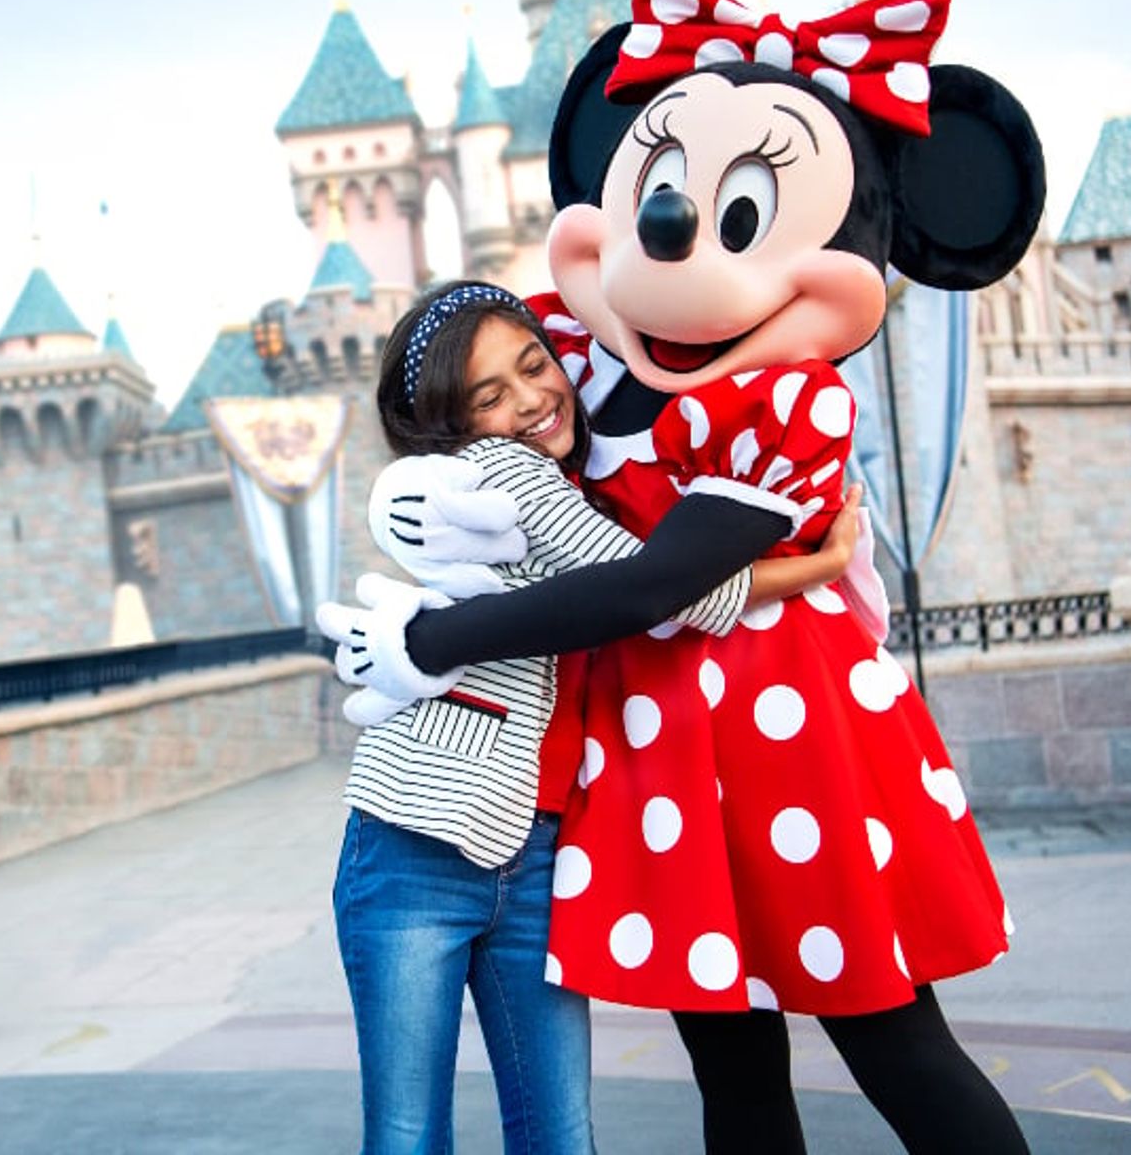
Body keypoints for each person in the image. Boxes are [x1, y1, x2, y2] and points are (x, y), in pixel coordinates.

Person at [328, 0, 1041, 1153]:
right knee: (735, 1076)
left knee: (892, 1040)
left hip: (795, 749)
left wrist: (431, 639)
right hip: (657, 764)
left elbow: (658, 585)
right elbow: (474, 376)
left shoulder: (792, 407)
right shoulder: (583, 364)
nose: (674, 236)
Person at [321, 278, 865, 1155]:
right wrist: (819, 562)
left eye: (535, 366)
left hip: (531, 851)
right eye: (489, 398)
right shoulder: (505, 475)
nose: (532, 400)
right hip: (418, 846)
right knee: (412, 1134)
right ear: (452, 427)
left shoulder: (553, 478)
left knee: (555, 1133)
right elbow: (654, 587)